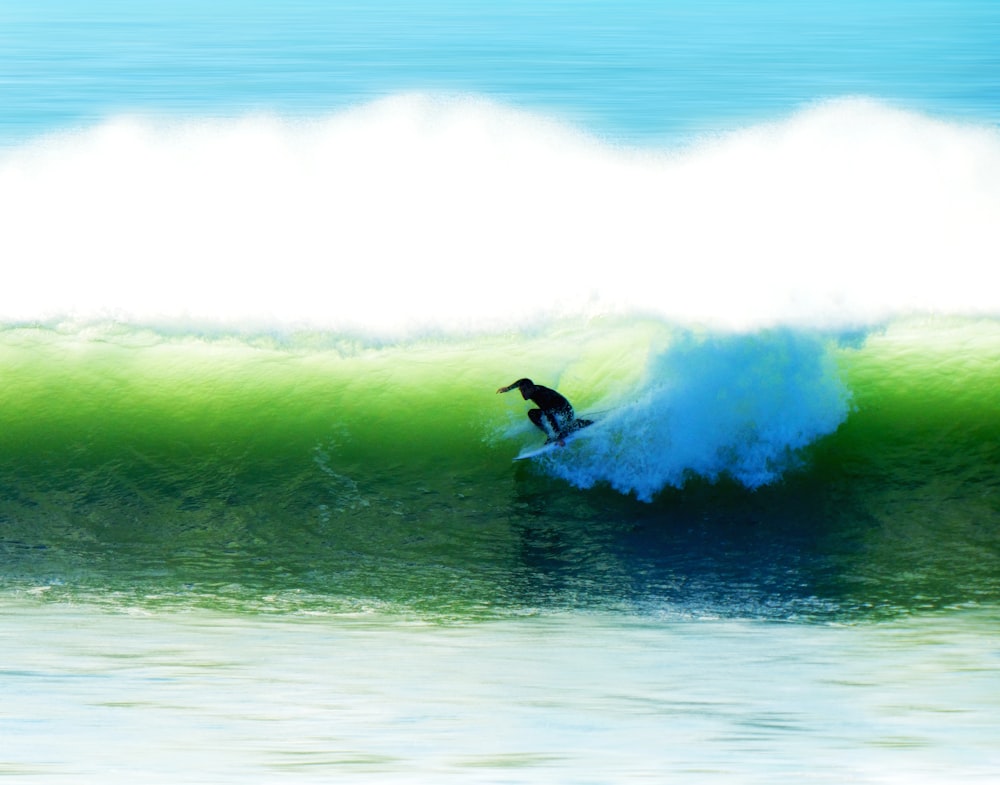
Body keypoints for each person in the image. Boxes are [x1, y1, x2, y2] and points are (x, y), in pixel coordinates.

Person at [496, 378, 591, 444]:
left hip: (566, 412)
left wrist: (559, 437)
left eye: (524, 390)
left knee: (565, 429)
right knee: (532, 414)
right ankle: (551, 434)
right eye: (521, 390)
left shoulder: (542, 396)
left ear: (530, 388)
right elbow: (522, 381)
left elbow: (550, 417)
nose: (522, 393)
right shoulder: (532, 389)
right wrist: (508, 388)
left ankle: (580, 424)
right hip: (557, 411)